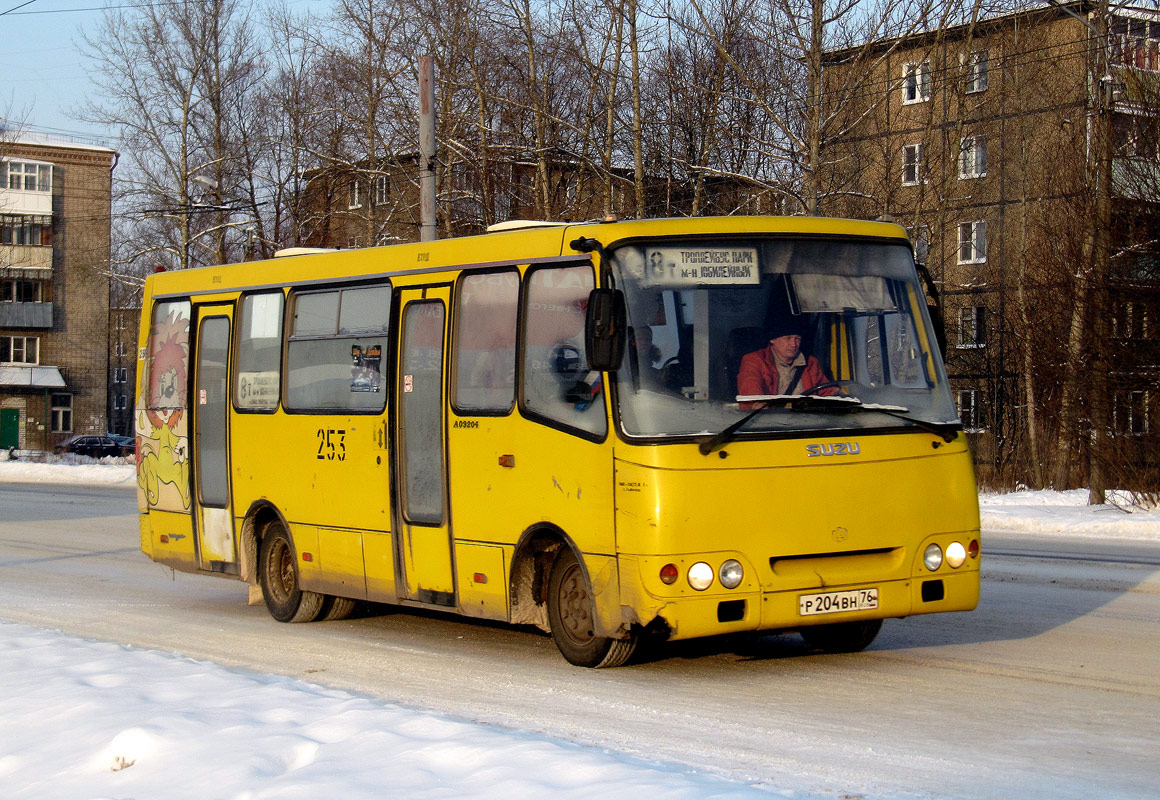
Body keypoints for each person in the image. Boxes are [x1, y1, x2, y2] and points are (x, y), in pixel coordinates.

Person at [737, 316, 837, 405]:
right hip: (772, 420)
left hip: (806, 419)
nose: (793, 344)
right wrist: (759, 405)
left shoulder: (811, 363)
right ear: (772, 340)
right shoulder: (754, 360)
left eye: (797, 338)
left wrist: (836, 393)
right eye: (787, 338)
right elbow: (751, 392)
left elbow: (826, 390)